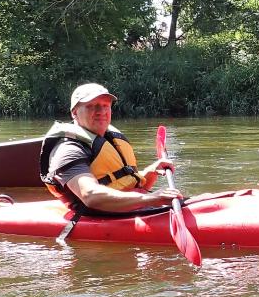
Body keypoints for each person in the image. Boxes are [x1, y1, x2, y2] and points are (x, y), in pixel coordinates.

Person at [39, 83, 182, 213]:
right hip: (101, 217)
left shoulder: (108, 138)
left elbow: (127, 185)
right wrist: (153, 199)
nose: (101, 111)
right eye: (91, 106)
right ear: (74, 112)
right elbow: (91, 196)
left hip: (134, 209)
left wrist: (150, 173)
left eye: (105, 105)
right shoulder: (68, 149)